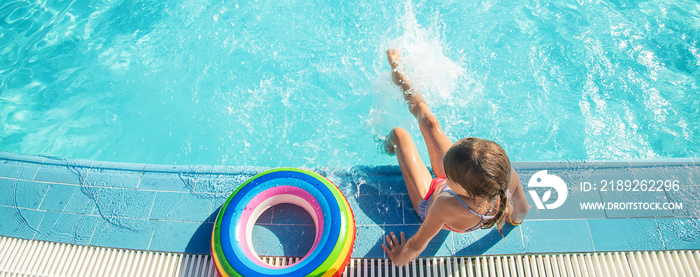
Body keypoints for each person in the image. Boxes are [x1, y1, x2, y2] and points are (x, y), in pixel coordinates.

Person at [381, 49, 530, 266]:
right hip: (468, 185)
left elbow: (416, 245)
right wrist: (513, 220)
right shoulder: (504, 175)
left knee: (399, 134)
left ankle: (386, 147)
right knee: (430, 121)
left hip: (428, 198)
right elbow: (523, 210)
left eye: (447, 173)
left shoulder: (444, 204)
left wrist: (398, 260)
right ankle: (400, 76)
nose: (443, 169)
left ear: (461, 185)